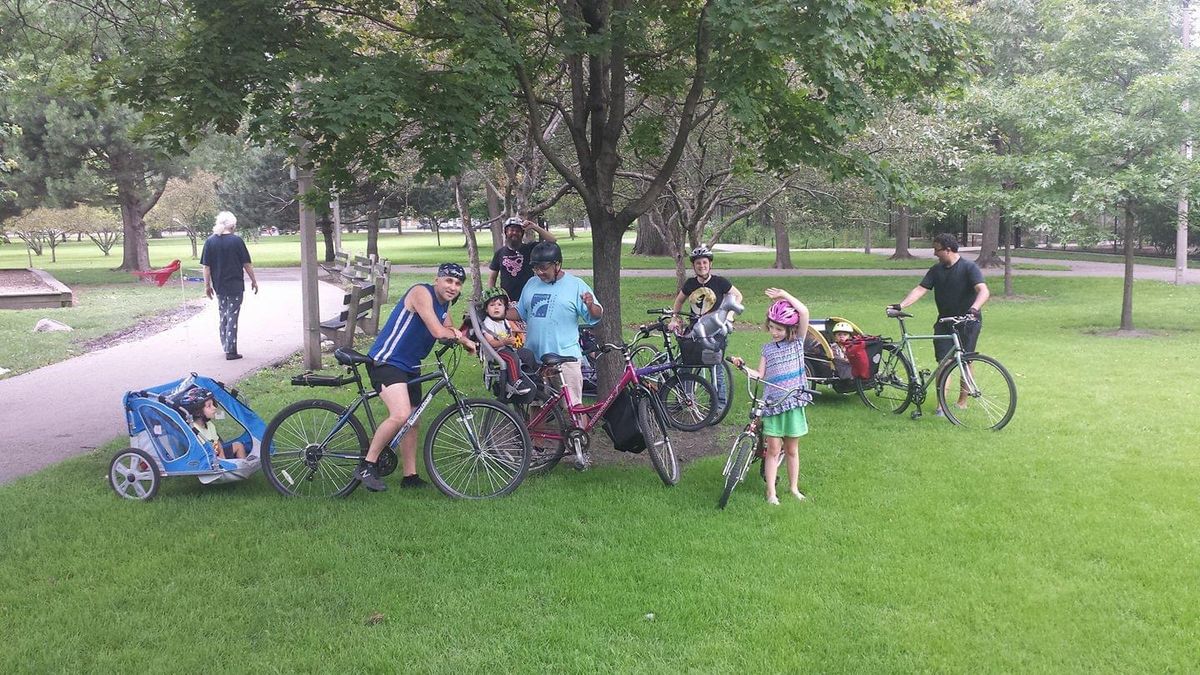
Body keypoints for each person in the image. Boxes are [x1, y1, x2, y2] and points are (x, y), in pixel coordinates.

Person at [353, 263, 477, 492]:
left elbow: (446, 327)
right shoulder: (421, 292)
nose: (452, 287)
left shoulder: (444, 303)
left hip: (410, 365)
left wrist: (462, 340)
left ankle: (410, 477)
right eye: (448, 280)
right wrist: (461, 336)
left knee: (413, 420)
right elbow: (439, 332)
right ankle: (367, 465)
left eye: (458, 283)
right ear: (437, 280)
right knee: (401, 414)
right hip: (387, 361)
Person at [730, 289, 812, 505]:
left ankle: (794, 488)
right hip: (773, 406)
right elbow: (760, 375)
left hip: (793, 404)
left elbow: (803, 311)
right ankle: (771, 492)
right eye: (772, 328)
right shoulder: (767, 349)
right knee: (773, 450)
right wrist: (744, 367)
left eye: (779, 329)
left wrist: (785, 295)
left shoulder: (797, 344)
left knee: (792, 450)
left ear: (789, 329)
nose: (774, 332)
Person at [891, 232, 991, 411]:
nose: (934, 253)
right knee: (944, 362)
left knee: (965, 361)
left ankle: (962, 401)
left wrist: (974, 309)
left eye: (937, 250)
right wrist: (902, 305)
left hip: (968, 322)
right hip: (944, 322)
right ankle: (941, 406)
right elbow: (921, 289)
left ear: (949, 250)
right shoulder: (936, 270)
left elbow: (983, 291)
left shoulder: (969, 268)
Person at [515, 241, 602, 409]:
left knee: (574, 407)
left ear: (557, 264)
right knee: (536, 405)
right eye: (535, 268)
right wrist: (496, 311)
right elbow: (520, 312)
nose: (539, 272)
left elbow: (597, 315)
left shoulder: (575, 285)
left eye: (543, 267)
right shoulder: (531, 284)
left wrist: (590, 305)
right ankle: (534, 436)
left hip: (565, 358)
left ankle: (580, 435)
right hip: (535, 358)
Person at [200, 211, 259, 360]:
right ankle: (231, 350)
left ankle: (225, 344)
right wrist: (254, 280)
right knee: (232, 314)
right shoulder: (237, 241)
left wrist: (207, 285)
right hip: (235, 285)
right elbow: (246, 264)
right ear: (232, 225)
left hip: (219, 284)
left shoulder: (210, 241)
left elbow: (206, 267)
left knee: (223, 314)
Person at [667, 245, 743, 333]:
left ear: (710, 264)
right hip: (695, 328)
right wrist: (674, 318)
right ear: (693, 266)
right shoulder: (690, 283)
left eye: (704, 262)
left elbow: (738, 296)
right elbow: (679, 301)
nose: (702, 265)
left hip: (715, 328)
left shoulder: (719, 282)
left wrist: (729, 316)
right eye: (698, 263)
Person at [479, 286, 535, 398]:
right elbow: (490, 342)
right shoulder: (488, 323)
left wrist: (517, 337)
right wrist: (504, 342)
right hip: (495, 352)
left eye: (500, 305)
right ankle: (514, 383)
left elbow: (512, 332)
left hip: (507, 348)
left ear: (505, 308)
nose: (496, 308)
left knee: (527, 353)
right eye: (492, 305)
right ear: (486, 309)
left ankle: (532, 377)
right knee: (511, 358)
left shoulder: (504, 321)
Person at [488, 216, 558, 303]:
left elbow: (552, 241)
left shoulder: (530, 248)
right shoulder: (499, 253)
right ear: (506, 232)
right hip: (508, 300)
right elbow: (492, 278)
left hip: (529, 297)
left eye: (518, 231)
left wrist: (534, 226)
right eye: (511, 230)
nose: (514, 233)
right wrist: (493, 297)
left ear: (522, 233)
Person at [176, 387, 247, 460]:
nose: (214, 408)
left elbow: (217, 442)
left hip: (217, 455)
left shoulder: (210, 425)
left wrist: (222, 455)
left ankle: (244, 466)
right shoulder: (192, 429)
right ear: (197, 412)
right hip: (207, 461)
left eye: (213, 404)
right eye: (209, 406)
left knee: (238, 445)